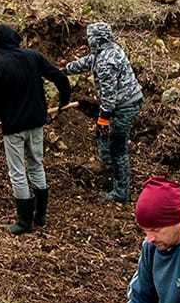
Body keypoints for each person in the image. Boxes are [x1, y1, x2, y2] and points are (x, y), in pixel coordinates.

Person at [0, 23, 71, 235]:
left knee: (18, 172)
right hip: (37, 123)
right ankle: (40, 216)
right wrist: (63, 101)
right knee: (36, 165)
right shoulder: (32, 57)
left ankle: (24, 222)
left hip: (14, 127)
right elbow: (59, 77)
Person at [62, 22, 145, 204]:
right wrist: (64, 70)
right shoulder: (106, 50)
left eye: (90, 37)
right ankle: (107, 170)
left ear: (96, 39)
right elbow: (88, 61)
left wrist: (104, 118)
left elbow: (109, 96)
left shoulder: (107, 60)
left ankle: (121, 191)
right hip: (124, 101)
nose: (88, 39)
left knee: (118, 147)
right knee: (103, 136)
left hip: (125, 105)